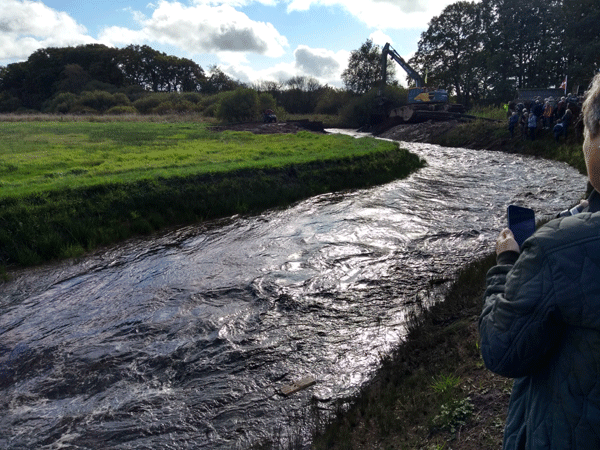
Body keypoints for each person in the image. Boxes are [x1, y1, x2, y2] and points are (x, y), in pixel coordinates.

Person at [479, 72, 600, 449]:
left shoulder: (557, 247)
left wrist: (504, 265)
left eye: (587, 132)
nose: (583, 140)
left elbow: (501, 348)